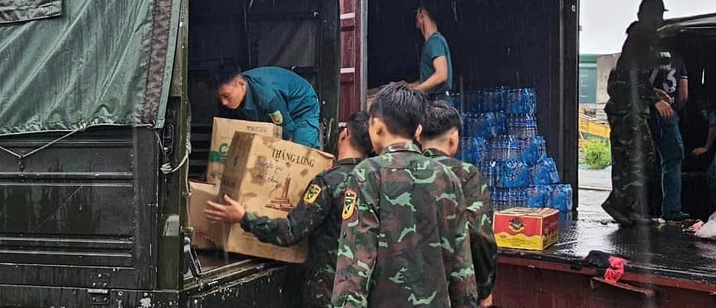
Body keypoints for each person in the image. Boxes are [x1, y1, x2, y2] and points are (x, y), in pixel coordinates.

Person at [205, 112, 375, 308]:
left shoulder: (328, 182)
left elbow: (290, 232)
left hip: (328, 293)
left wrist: (243, 217)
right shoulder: (375, 181)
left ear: (344, 134)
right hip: (363, 291)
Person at [331, 83, 477, 308]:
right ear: (418, 131)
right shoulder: (447, 177)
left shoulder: (369, 174)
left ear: (376, 126)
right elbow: (462, 269)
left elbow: (355, 265)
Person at [419, 100, 497, 307]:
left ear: (418, 136)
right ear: (453, 139)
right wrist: (485, 289)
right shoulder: (465, 175)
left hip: (403, 288)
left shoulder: (400, 172)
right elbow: (479, 234)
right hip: (454, 289)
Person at [600, 0, 670, 226]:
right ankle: (625, 206)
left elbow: (631, 74)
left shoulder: (636, 37)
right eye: (658, 15)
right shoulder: (643, 37)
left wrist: (654, 92)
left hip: (623, 108)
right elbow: (634, 74)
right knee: (643, 157)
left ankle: (623, 207)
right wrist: (654, 99)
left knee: (625, 159)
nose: (660, 20)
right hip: (629, 110)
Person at [212, 63, 322, 148]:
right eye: (220, 97)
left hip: (302, 106)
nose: (223, 102)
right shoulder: (236, 89)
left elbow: (288, 136)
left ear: (241, 84)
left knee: (300, 151)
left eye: (226, 96)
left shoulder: (267, 97)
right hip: (276, 107)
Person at [649, 36, 690, 222]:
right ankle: (671, 210)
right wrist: (675, 110)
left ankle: (639, 210)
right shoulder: (677, 59)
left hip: (643, 114)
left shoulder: (645, 56)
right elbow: (683, 95)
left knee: (640, 161)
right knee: (672, 160)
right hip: (667, 114)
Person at [410, 4, 455, 102]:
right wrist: (405, 88)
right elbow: (425, 81)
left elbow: (441, 75)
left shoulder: (435, 41)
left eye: (417, 13)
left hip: (438, 104)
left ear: (423, 13)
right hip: (434, 103)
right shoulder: (431, 43)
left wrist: (415, 91)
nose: (415, 18)